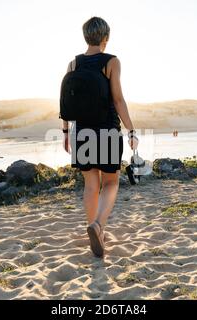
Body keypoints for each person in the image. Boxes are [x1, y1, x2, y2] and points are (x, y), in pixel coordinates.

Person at [61, 17, 138, 257]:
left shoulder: (73, 64)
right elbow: (117, 99)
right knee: (111, 182)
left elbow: (65, 100)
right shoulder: (112, 62)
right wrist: (131, 130)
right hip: (107, 129)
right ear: (106, 37)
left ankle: (95, 230)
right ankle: (98, 225)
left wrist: (65, 131)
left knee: (91, 184)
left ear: (86, 36)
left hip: (81, 131)